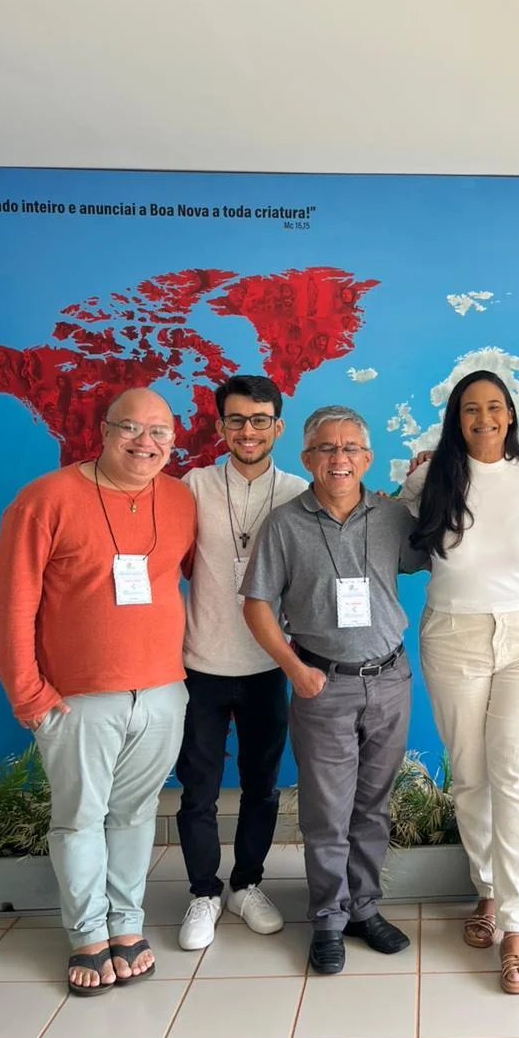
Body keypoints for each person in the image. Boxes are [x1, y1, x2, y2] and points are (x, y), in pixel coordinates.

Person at [0, 389, 196, 995]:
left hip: (162, 693)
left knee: (135, 816)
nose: (145, 442)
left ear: (173, 442)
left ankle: (126, 924)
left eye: (159, 432)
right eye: (130, 428)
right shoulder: (45, 499)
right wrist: (28, 695)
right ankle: (87, 935)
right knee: (79, 820)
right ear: (104, 432)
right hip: (74, 700)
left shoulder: (181, 499)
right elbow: (10, 606)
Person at [241, 404, 426, 975]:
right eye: (326, 448)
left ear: (366, 458)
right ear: (307, 458)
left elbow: (440, 547)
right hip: (322, 683)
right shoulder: (284, 524)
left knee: (372, 806)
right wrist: (292, 668)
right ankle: (327, 917)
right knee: (327, 812)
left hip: (390, 679)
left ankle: (363, 908)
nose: (338, 458)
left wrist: (425, 478)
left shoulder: (393, 517)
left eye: (350, 448)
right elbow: (257, 605)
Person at [401, 370, 519, 995]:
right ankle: (489, 891)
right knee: (471, 775)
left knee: (517, 776)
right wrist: (411, 478)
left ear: (510, 415)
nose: (484, 418)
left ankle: (518, 927)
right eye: (471, 409)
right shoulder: (430, 479)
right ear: (456, 418)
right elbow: (397, 541)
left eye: (495, 407)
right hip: (453, 634)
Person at [176, 376, 308, 951]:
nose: (247, 431)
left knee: (262, 787)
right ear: (220, 425)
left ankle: (246, 885)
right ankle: (203, 892)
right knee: (198, 790)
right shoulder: (193, 486)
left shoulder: (299, 492)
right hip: (200, 663)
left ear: (278, 426)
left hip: (268, 665)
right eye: (236, 419)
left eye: (259, 420)